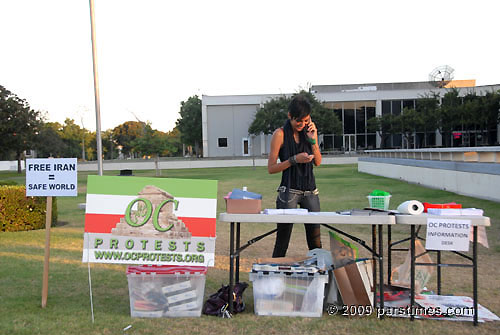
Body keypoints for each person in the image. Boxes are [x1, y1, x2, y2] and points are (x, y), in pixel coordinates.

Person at [267, 94, 322, 257]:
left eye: (306, 120)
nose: (302, 124)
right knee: (282, 241)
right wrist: (294, 160)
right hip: (289, 190)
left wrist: (313, 141)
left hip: (310, 191)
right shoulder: (280, 134)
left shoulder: (309, 131)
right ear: (290, 116)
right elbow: (271, 168)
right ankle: (275, 279)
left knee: (316, 243)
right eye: (299, 120)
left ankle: (318, 279)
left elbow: (318, 162)